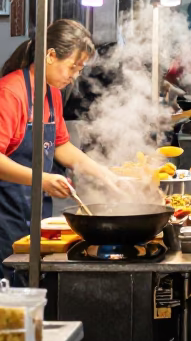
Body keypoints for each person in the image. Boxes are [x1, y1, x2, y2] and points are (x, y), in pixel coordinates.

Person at [0, 21, 120, 266]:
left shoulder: (52, 92)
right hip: (4, 214)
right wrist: (42, 179)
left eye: (80, 68)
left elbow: (61, 145)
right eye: (73, 67)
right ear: (51, 55)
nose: (75, 75)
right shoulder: (10, 93)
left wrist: (105, 174)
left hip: (33, 212)